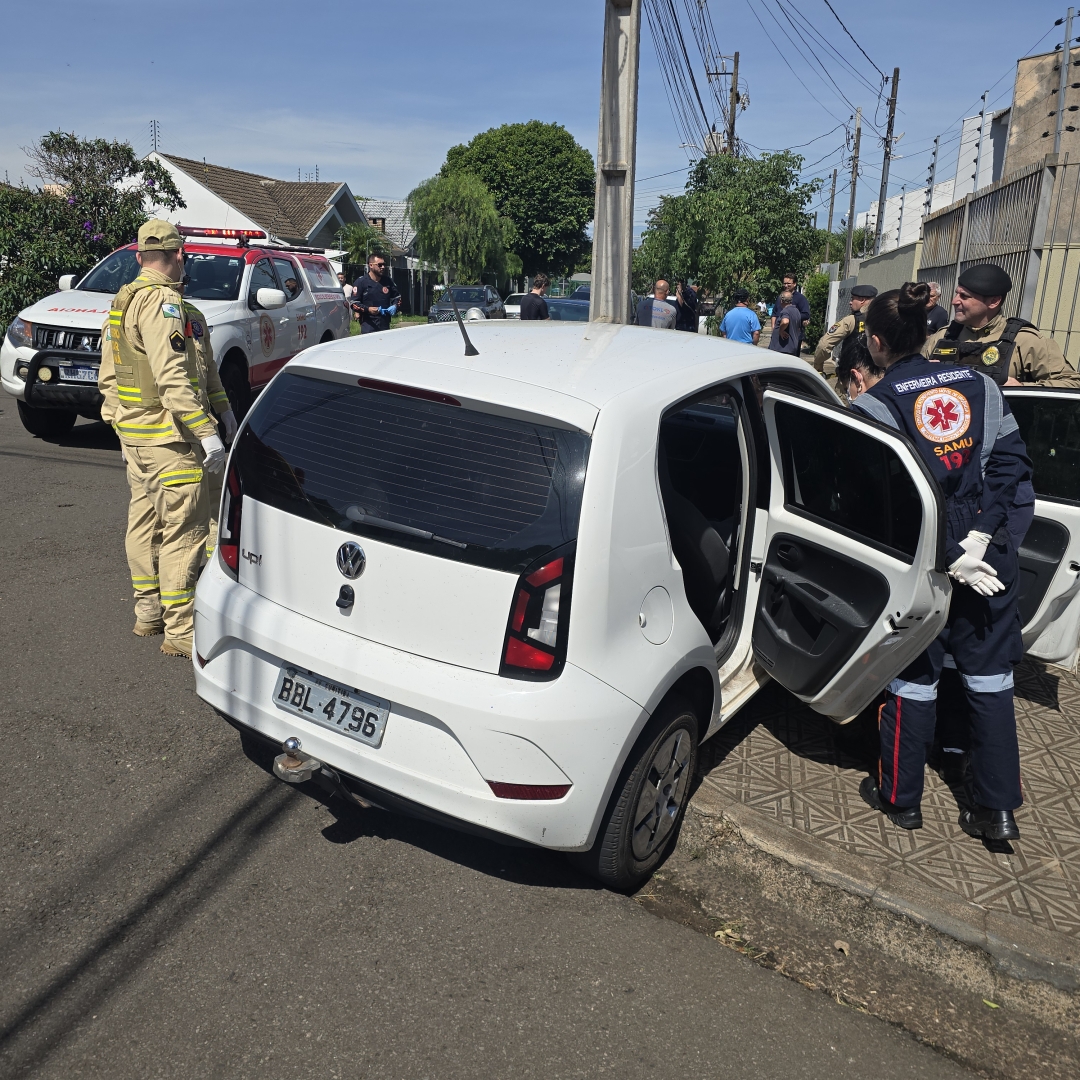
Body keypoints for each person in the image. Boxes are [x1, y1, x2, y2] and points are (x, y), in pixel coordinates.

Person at [850, 282, 1031, 842]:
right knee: (991, 679)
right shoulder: (981, 383)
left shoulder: (873, 407)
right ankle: (996, 810)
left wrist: (950, 550)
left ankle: (901, 799)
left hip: (924, 561)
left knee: (912, 676)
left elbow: (884, 504)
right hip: (990, 554)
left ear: (876, 343)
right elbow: (1010, 466)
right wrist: (980, 536)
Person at [98, 220, 236, 659]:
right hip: (168, 441)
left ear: (138, 257)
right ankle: (180, 630)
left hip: (138, 439)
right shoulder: (163, 304)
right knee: (186, 530)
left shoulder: (123, 303)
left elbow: (109, 380)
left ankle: (148, 613)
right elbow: (174, 380)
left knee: (143, 523)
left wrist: (120, 423)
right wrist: (209, 434)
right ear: (179, 256)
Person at [925, 264, 1080, 388]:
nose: (954, 301)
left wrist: (1022, 388)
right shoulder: (941, 337)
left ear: (994, 302)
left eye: (964, 296)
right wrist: (919, 373)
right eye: (957, 293)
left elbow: (1072, 383)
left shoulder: (1025, 341)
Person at [813, 284, 878, 381]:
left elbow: (824, 345)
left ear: (862, 300)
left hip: (851, 378)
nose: (850, 302)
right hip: (877, 378)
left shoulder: (851, 320)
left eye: (852, 299)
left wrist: (818, 368)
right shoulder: (884, 318)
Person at [351, 254, 401, 333]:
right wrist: (368, 309)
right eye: (380, 265)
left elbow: (397, 297)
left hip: (384, 323)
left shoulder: (388, 281)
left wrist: (395, 306)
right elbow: (354, 304)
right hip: (368, 324)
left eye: (384, 265)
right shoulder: (361, 282)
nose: (383, 267)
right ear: (371, 265)